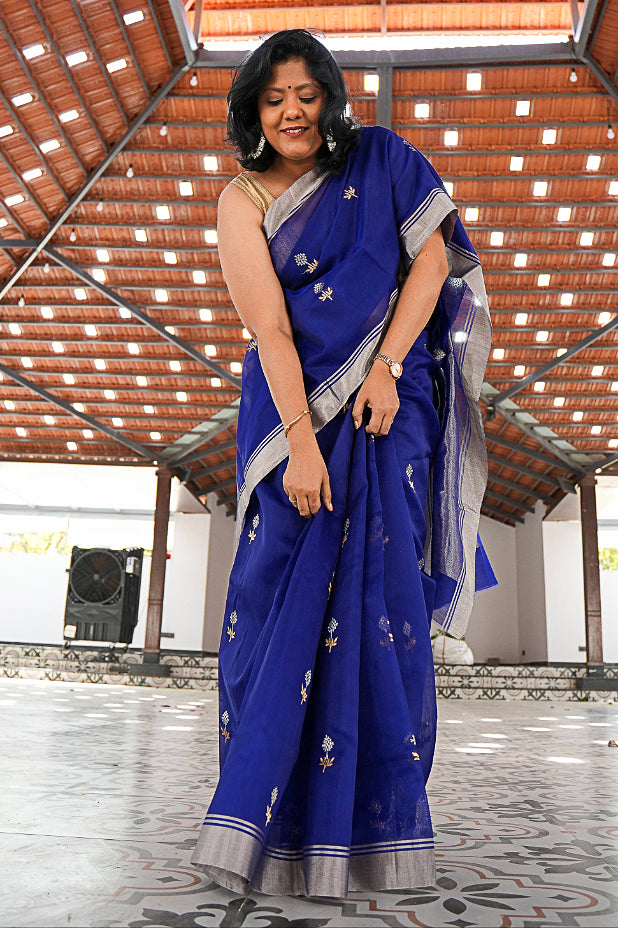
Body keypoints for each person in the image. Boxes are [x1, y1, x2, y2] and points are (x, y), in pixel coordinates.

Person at [191, 28, 496, 898]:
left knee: (384, 607)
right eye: (273, 97)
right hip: (292, 420)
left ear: (330, 97)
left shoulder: (384, 161)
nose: (291, 111)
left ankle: (375, 832)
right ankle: (264, 824)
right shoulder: (241, 199)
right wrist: (299, 443)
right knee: (270, 601)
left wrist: (390, 367)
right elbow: (270, 329)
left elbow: (431, 262)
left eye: (306, 93)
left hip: (388, 412)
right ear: (253, 109)